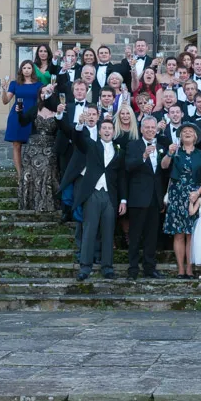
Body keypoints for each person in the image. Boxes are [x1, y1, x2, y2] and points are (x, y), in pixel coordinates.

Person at [72, 116, 127, 281]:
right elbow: (78, 140)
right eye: (104, 128)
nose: (107, 131)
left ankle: (107, 267)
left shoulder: (119, 151)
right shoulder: (92, 145)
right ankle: (85, 267)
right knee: (89, 231)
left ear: (114, 132)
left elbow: (122, 177)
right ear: (99, 131)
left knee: (108, 232)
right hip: (93, 193)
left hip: (110, 195)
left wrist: (123, 200)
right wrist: (80, 124)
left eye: (109, 128)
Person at [162, 123, 201, 279]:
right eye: (184, 132)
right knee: (179, 234)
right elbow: (163, 166)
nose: (187, 133)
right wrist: (169, 153)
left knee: (191, 234)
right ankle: (181, 269)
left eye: (190, 131)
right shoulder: (175, 152)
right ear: (180, 137)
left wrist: (198, 193)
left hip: (193, 197)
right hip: (176, 195)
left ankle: (189, 269)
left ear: (196, 136)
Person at [124, 116, 165, 280]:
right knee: (135, 235)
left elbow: (161, 175)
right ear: (141, 129)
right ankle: (133, 269)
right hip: (138, 198)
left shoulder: (160, 147)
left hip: (155, 198)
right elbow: (128, 166)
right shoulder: (133, 145)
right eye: (147, 127)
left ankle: (150, 268)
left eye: (152, 127)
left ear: (156, 129)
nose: (150, 130)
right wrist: (143, 156)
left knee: (151, 236)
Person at [16, 84, 62, 212]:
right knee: (29, 173)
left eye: (47, 92)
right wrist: (19, 112)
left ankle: (46, 204)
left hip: (49, 148)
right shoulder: (35, 109)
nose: (44, 95)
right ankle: (29, 205)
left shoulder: (58, 111)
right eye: (42, 92)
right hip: (33, 149)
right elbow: (23, 122)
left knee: (47, 170)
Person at [2, 60, 44, 178]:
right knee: (17, 145)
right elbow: (5, 101)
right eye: (24, 68)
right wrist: (4, 90)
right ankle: (20, 176)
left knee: (34, 145)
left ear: (32, 70)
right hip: (16, 116)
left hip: (33, 117)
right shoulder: (15, 84)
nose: (26, 70)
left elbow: (43, 101)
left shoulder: (39, 85)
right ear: (21, 70)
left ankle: (33, 174)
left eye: (29, 68)